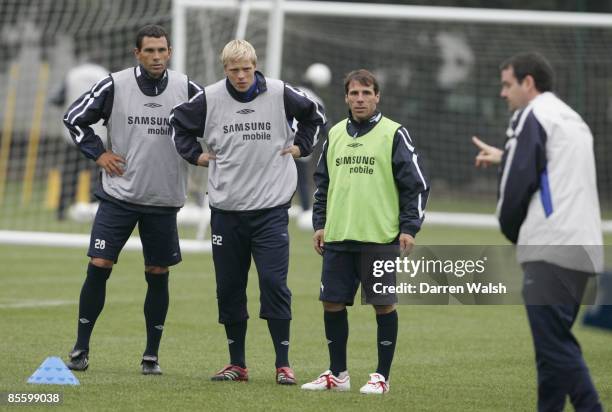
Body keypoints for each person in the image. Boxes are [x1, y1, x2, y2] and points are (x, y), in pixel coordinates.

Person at [170, 39, 325, 385]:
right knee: (229, 288)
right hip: (226, 211)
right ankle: (237, 364)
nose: (241, 76)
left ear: (255, 66)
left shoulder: (280, 92)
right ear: (224, 69)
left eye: (246, 69)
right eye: (233, 70)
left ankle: (283, 364)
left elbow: (315, 116)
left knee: (273, 284)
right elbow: (177, 123)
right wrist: (195, 155)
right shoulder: (209, 98)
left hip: (271, 211)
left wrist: (302, 146)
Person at [62, 24, 203, 375]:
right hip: (118, 197)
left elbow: (218, 119)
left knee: (157, 272)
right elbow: (74, 117)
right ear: (136, 53)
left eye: (162, 50)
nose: (157, 56)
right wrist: (99, 154)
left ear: (169, 52)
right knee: (99, 265)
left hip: (163, 200)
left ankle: (151, 356)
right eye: (150, 51)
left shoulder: (187, 88)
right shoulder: (114, 84)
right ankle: (80, 348)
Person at [472, 52, 603, 411]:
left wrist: (512, 229)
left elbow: (518, 186)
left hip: (550, 246)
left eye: (507, 85)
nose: (503, 94)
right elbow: (551, 166)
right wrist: (505, 155)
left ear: (528, 83)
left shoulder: (531, 115)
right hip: (584, 247)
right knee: (551, 351)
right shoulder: (570, 118)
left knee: (555, 347)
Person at [301, 69, 429, 394]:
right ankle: (338, 374)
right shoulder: (335, 134)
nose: (360, 99)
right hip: (339, 237)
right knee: (331, 302)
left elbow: (415, 185)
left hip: (379, 238)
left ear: (377, 97)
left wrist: (409, 228)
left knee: (383, 305)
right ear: (346, 97)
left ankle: (381, 377)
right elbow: (322, 185)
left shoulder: (394, 133)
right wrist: (320, 224)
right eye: (354, 94)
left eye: (366, 93)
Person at [50, 55, 108, 220]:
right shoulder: (105, 75)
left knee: (69, 174)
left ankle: (62, 211)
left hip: (73, 135)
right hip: (97, 136)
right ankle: (94, 209)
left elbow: (56, 99)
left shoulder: (73, 74)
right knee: (96, 176)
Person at [293, 63, 331, 230]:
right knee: (302, 180)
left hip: (280, 143)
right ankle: (306, 210)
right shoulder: (316, 100)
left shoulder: (291, 91)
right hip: (301, 145)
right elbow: (323, 127)